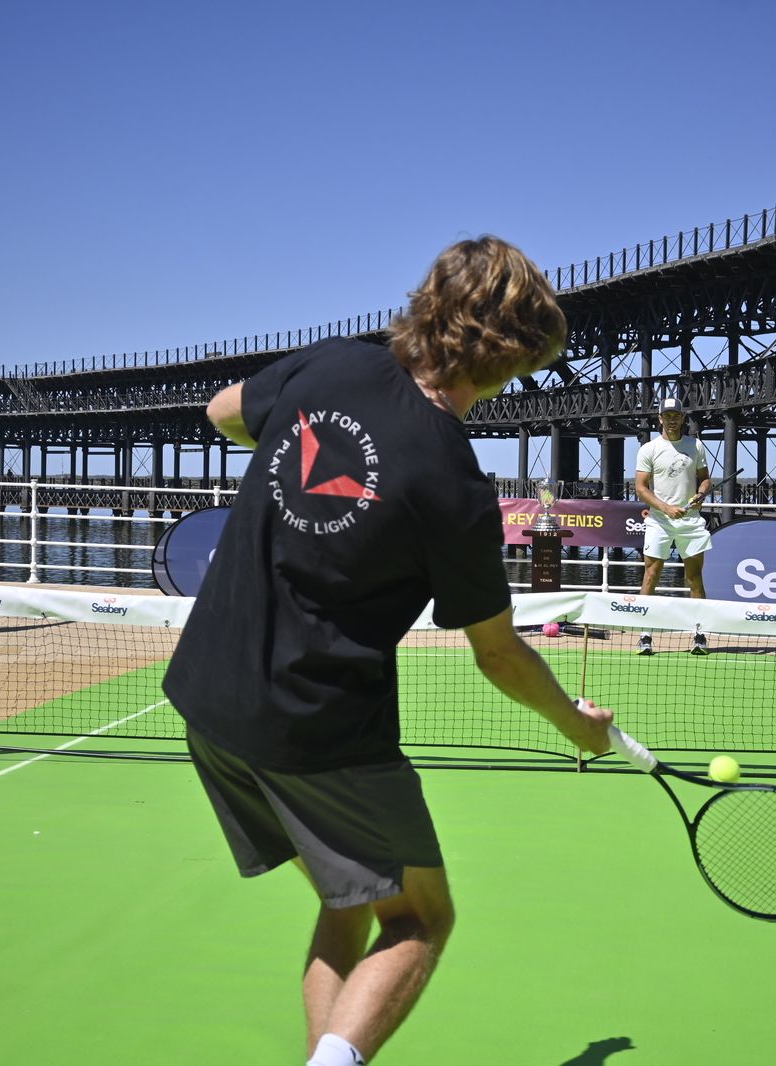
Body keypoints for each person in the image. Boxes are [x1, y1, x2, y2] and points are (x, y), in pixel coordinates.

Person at [162, 236, 614, 1066]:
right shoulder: (455, 484)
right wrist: (573, 726)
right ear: (513, 358)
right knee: (419, 919)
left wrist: (289, 448)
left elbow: (223, 412)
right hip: (318, 729)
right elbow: (499, 654)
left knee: (349, 905)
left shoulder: (329, 366)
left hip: (208, 702)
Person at [633, 396, 714, 655]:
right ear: (660, 419)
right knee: (651, 575)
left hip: (690, 521)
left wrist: (701, 494)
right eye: (666, 415)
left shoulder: (696, 446)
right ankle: (645, 635)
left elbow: (705, 480)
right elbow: (640, 488)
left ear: (682, 418)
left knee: (694, 577)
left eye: (675, 415)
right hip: (660, 521)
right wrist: (665, 508)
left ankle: (699, 634)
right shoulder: (649, 449)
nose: (671, 420)